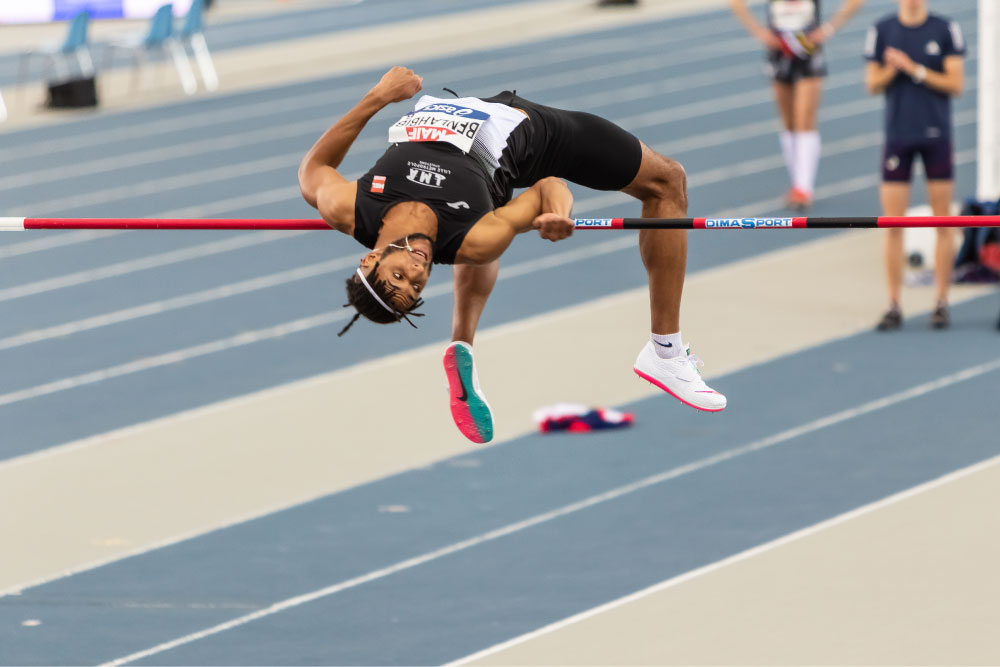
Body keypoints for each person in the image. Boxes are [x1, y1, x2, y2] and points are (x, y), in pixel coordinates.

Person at [298, 67, 726, 444]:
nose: (416, 272)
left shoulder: (350, 207)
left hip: (466, 123)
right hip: (536, 137)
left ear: (369, 260)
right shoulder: (477, 237)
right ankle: (665, 352)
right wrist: (559, 214)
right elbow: (547, 186)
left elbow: (312, 170)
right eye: (416, 287)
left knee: (471, 235)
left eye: (398, 277)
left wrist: (378, 96)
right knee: (667, 181)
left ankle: (462, 344)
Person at [865, 0, 964, 331]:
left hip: (937, 135)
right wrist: (893, 69)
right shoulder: (881, 30)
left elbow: (956, 84)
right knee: (892, 224)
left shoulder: (945, 29)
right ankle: (894, 304)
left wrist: (913, 68)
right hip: (899, 136)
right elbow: (872, 83)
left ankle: (942, 302)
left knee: (943, 221)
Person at [730, 0, 865, 209]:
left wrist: (829, 28)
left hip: (808, 52)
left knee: (805, 119)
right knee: (789, 122)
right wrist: (759, 32)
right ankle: (797, 184)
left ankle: (804, 188)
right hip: (778, 52)